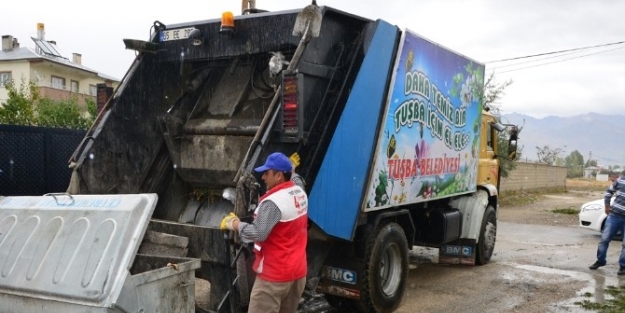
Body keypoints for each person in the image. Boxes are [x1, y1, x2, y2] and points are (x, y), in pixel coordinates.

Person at [220, 152, 308, 313]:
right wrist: (292, 168)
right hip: (297, 274)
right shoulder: (299, 193)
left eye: (267, 173)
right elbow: (296, 180)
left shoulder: (273, 203)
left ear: (279, 175)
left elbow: (259, 233)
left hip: (274, 279)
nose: (263, 178)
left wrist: (235, 224)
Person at [589, 171, 625, 275]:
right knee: (604, 240)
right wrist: (607, 205)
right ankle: (600, 261)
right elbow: (609, 192)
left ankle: (623, 266)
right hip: (614, 216)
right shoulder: (621, 180)